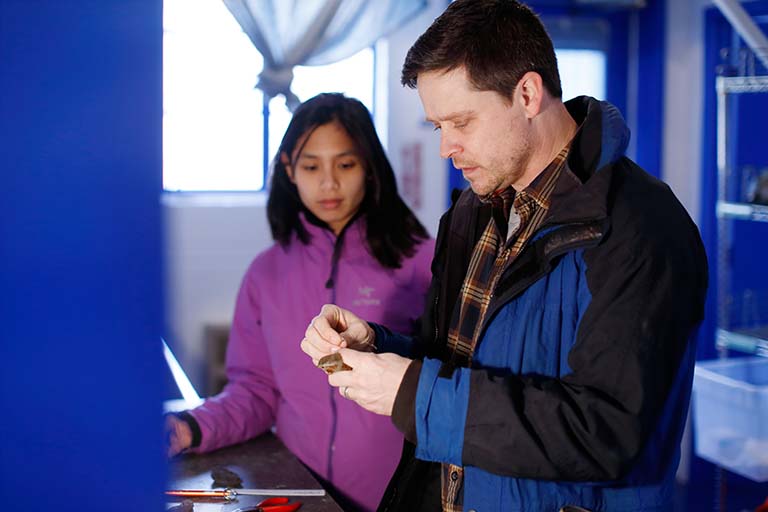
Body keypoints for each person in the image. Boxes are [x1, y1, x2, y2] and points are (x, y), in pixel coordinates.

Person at [300, 2, 709, 511]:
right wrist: (378, 347)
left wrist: (412, 395)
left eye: (462, 122)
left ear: (527, 94)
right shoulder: (474, 212)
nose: (446, 148)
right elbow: (457, 366)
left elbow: (606, 434)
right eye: (437, 127)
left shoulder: (640, 227)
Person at [165, 93, 435, 512]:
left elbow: (446, 385)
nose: (328, 183)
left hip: (403, 497)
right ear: (290, 170)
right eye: (311, 166)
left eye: (345, 164)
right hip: (301, 495)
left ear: (370, 167)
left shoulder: (423, 262)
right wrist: (188, 428)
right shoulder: (266, 273)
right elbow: (254, 392)